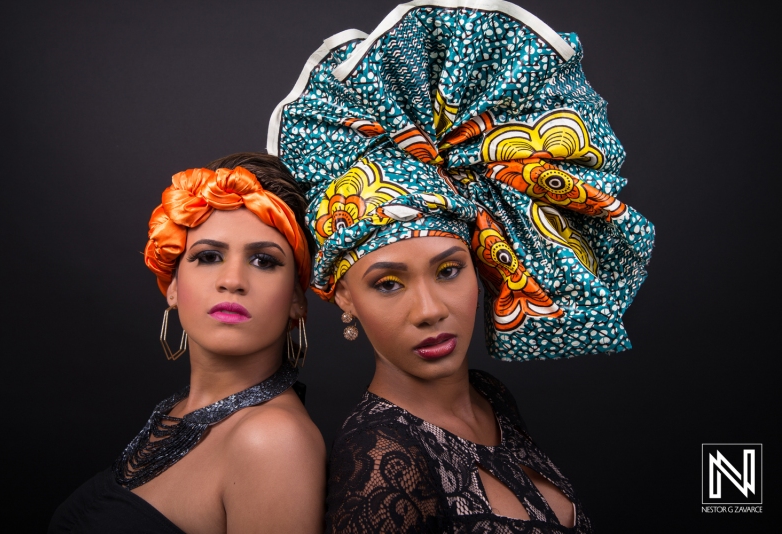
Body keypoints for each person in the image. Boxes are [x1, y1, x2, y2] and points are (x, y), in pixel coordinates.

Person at [268, 1, 654, 531]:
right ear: (342, 295)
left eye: (448, 270)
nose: (430, 310)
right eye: (387, 283)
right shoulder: (382, 463)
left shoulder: (489, 399)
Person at [49, 153, 326, 533]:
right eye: (209, 256)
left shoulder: (272, 441)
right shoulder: (180, 409)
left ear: (297, 297)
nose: (233, 280)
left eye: (264, 261)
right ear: (174, 285)